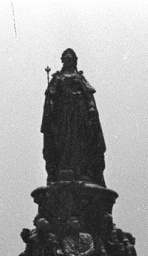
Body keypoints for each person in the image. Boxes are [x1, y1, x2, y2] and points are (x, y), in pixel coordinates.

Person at [41, 48, 106, 186]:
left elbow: (88, 94)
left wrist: (91, 108)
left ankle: (81, 170)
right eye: (66, 58)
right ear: (62, 61)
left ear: (74, 60)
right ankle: (63, 169)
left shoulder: (79, 78)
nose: (68, 60)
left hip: (79, 113)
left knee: (81, 141)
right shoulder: (57, 78)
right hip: (63, 115)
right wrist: (50, 107)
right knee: (63, 142)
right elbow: (51, 96)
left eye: (70, 58)